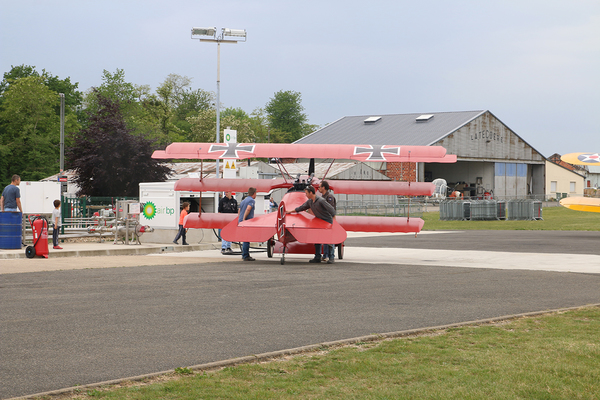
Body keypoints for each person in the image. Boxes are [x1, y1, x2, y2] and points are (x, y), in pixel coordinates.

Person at [286, 185, 336, 264]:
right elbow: (301, 208)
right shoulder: (310, 202)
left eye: (306, 193)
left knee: (328, 240)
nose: (305, 195)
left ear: (311, 192)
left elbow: (332, 210)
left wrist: (334, 223)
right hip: (318, 222)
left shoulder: (321, 200)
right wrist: (290, 211)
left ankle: (331, 257)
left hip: (327, 222)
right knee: (317, 239)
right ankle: (317, 257)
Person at [318, 181, 337, 263]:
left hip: (328, 220)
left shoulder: (329, 197)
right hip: (323, 220)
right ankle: (325, 255)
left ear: (323, 187)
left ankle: (331, 256)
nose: (318, 188)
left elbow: (331, 210)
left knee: (330, 240)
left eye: (319, 187)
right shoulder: (322, 196)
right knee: (324, 239)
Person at [238, 187, 257, 261]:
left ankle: (245, 254)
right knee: (246, 239)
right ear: (254, 193)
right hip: (247, 222)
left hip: (241, 222)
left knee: (245, 238)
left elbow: (239, 210)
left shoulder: (244, 200)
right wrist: (244, 219)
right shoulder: (251, 200)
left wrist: (239, 219)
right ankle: (245, 255)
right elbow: (248, 208)